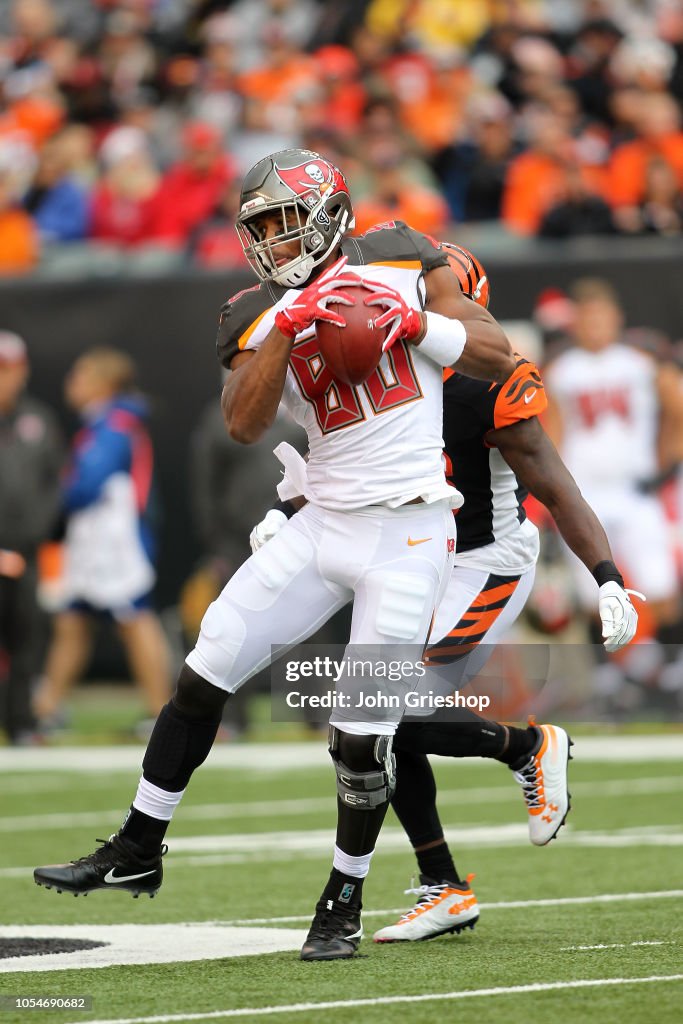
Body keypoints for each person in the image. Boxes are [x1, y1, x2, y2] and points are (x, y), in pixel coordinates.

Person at [34, 147, 516, 963]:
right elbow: (244, 423)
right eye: (260, 228)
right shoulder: (250, 312)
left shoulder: (400, 253)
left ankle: (343, 896)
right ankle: (140, 843)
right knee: (204, 669)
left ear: (328, 211)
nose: (275, 242)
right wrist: (289, 328)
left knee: (361, 738)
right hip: (322, 520)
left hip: (407, 531)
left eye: (286, 223)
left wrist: (414, 324)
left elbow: (493, 353)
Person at [250, 242, 639, 943]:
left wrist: (605, 574)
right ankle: (443, 885)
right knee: (363, 731)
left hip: (483, 560)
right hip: (408, 558)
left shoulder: (480, 383)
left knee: (382, 711)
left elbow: (554, 483)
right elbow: (344, 474)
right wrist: (285, 512)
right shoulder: (378, 369)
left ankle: (525, 748)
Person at [543, 279, 683, 686]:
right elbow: (553, 433)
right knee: (593, 590)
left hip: (635, 487)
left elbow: (676, 408)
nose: (596, 326)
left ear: (617, 319)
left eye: (602, 317)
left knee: (659, 580)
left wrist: (666, 464)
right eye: (588, 319)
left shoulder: (640, 362)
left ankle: (670, 667)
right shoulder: (561, 370)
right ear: (576, 324)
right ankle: (608, 677)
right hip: (586, 494)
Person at [33, 347, 171, 730]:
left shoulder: (113, 426)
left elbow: (87, 486)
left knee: (135, 618)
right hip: (95, 543)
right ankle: (46, 708)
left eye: (81, 374)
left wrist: (53, 496)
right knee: (72, 621)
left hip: (116, 545)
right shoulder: (105, 423)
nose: (71, 382)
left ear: (104, 383)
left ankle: (161, 710)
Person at [0, 331, 64, 744]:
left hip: (25, 553)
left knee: (27, 638)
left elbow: (56, 485)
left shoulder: (39, 423)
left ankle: (21, 722)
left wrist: (30, 539)